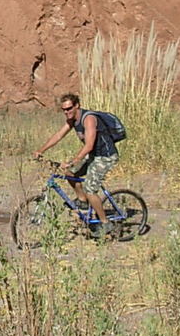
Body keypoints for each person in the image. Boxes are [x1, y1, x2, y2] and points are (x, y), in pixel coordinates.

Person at [33, 93, 119, 237]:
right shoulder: (72, 120)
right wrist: (41, 150)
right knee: (70, 173)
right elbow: (58, 135)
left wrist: (74, 160)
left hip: (105, 156)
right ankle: (83, 201)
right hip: (93, 155)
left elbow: (89, 145)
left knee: (90, 189)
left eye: (69, 108)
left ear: (77, 105)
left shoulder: (88, 119)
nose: (66, 112)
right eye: (64, 110)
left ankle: (105, 223)